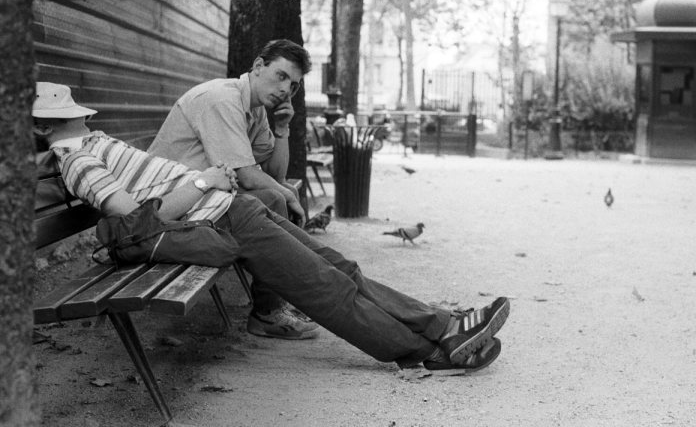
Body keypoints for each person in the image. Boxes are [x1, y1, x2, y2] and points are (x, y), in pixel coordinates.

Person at [32, 82, 509, 375]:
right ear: (52, 123)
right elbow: (135, 214)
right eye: (65, 111)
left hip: (234, 207)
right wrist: (204, 181)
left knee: (342, 268)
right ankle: (429, 353)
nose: (77, 112)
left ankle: (444, 326)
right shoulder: (76, 158)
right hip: (220, 217)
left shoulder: (92, 142)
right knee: (327, 288)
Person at [147, 39, 314, 339]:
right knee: (276, 198)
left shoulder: (257, 108)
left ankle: (278, 300)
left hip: (204, 200)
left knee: (279, 195)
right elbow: (249, 178)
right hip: (169, 208)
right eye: (281, 75)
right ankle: (268, 312)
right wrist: (286, 193)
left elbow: (277, 173)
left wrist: (283, 128)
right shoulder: (221, 99)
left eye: (293, 85)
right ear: (258, 66)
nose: (286, 89)